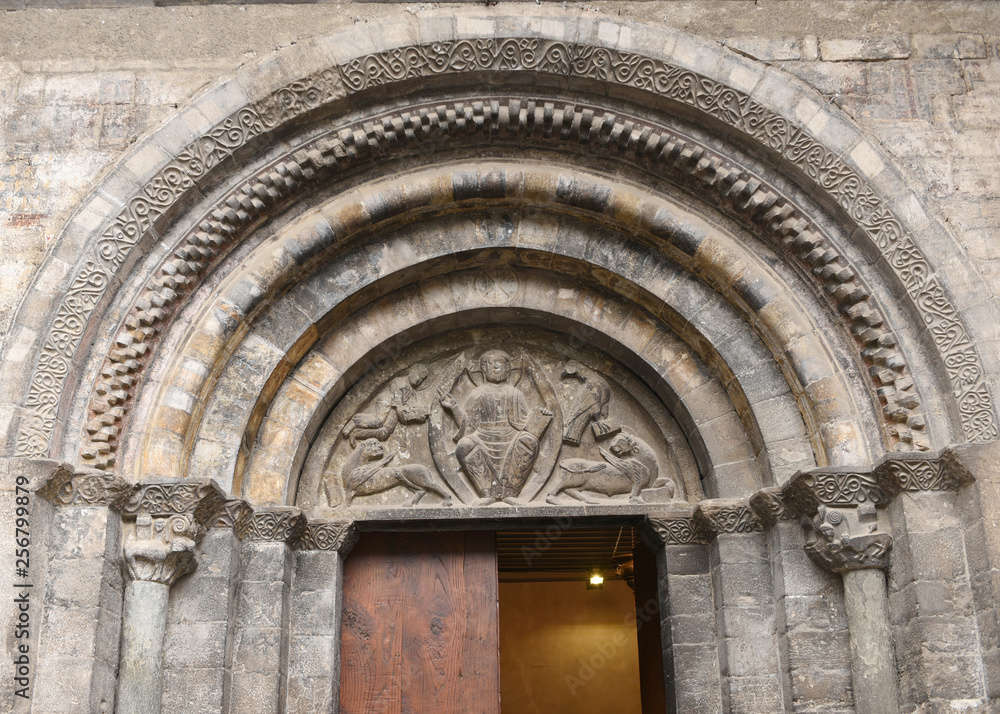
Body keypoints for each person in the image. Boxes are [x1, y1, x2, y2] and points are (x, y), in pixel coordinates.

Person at [438, 350, 551, 501]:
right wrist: (454, 408)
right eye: (491, 364)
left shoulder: (515, 393)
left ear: (508, 368)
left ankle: (511, 493)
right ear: (484, 368)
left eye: (500, 363)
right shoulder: (477, 393)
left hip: (511, 438)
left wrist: (539, 416)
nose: (496, 367)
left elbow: (526, 423)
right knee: (464, 445)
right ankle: (487, 493)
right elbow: (468, 426)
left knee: (529, 442)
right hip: (483, 438)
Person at [342, 364, 429, 447]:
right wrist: (411, 415)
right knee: (377, 421)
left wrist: (418, 415)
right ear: (412, 371)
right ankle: (355, 421)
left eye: (422, 379)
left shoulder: (412, 392)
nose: (419, 380)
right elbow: (399, 407)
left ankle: (356, 434)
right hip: (387, 402)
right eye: (418, 375)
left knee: (384, 433)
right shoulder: (399, 382)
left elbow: (413, 407)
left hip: (396, 411)